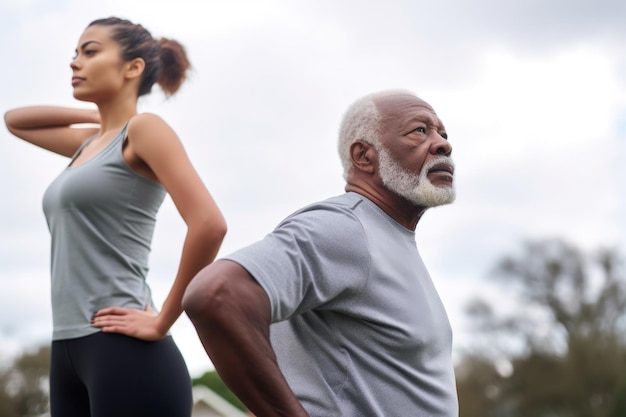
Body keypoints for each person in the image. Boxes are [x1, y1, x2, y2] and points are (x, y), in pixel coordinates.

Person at [183, 90, 459, 417]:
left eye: (442, 132)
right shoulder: (344, 228)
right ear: (364, 156)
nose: (443, 144)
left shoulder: (387, 236)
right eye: (420, 131)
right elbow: (217, 294)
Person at [4, 17, 227, 417]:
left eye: (90, 51)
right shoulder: (91, 142)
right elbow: (14, 120)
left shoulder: (143, 130)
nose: (75, 62)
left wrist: (163, 321)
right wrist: (98, 118)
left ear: (133, 67)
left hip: (123, 346)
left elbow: (210, 224)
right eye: (75, 53)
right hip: (65, 348)